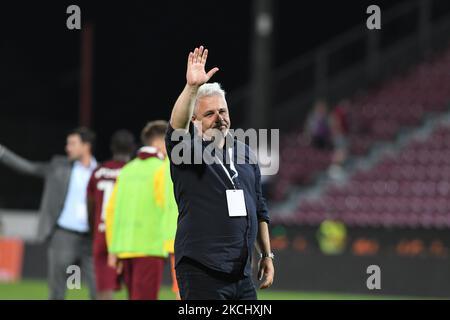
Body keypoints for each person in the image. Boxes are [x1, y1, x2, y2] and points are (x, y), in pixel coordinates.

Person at [166, 45, 274, 300]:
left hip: (242, 275)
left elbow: (259, 208)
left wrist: (267, 254)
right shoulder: (188, 151)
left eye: (223, 111)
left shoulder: (245, 152)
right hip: (202, 269)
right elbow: (176, 130)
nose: (219, 118)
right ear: (194, 120)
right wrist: (192, 89)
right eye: (209, 113)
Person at [0, 127, 97, 299]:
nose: (68, 147)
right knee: (58, 290)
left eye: (72, 143)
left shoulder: (100, 172)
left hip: (91, 239)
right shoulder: (58, 166)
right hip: (63, 235)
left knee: (99, 290)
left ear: (86, 145)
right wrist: (2, 153)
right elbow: (29, 168)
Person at [105, 120, 176, 300]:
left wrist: (113, 249)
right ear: (160, 143)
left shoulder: (127, 170)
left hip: (124, 247)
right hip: (151, 247)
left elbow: (111, 211)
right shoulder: (163, 168)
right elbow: (169, 205)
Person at [86, 129, 136, 300]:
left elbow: (90, 206)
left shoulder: (98, 171)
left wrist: (95, 231)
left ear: (112, 147)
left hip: (103, 234)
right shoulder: (134, 172)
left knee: (104, 290)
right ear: (132, 148)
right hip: (129, 236)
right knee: (135, 290)